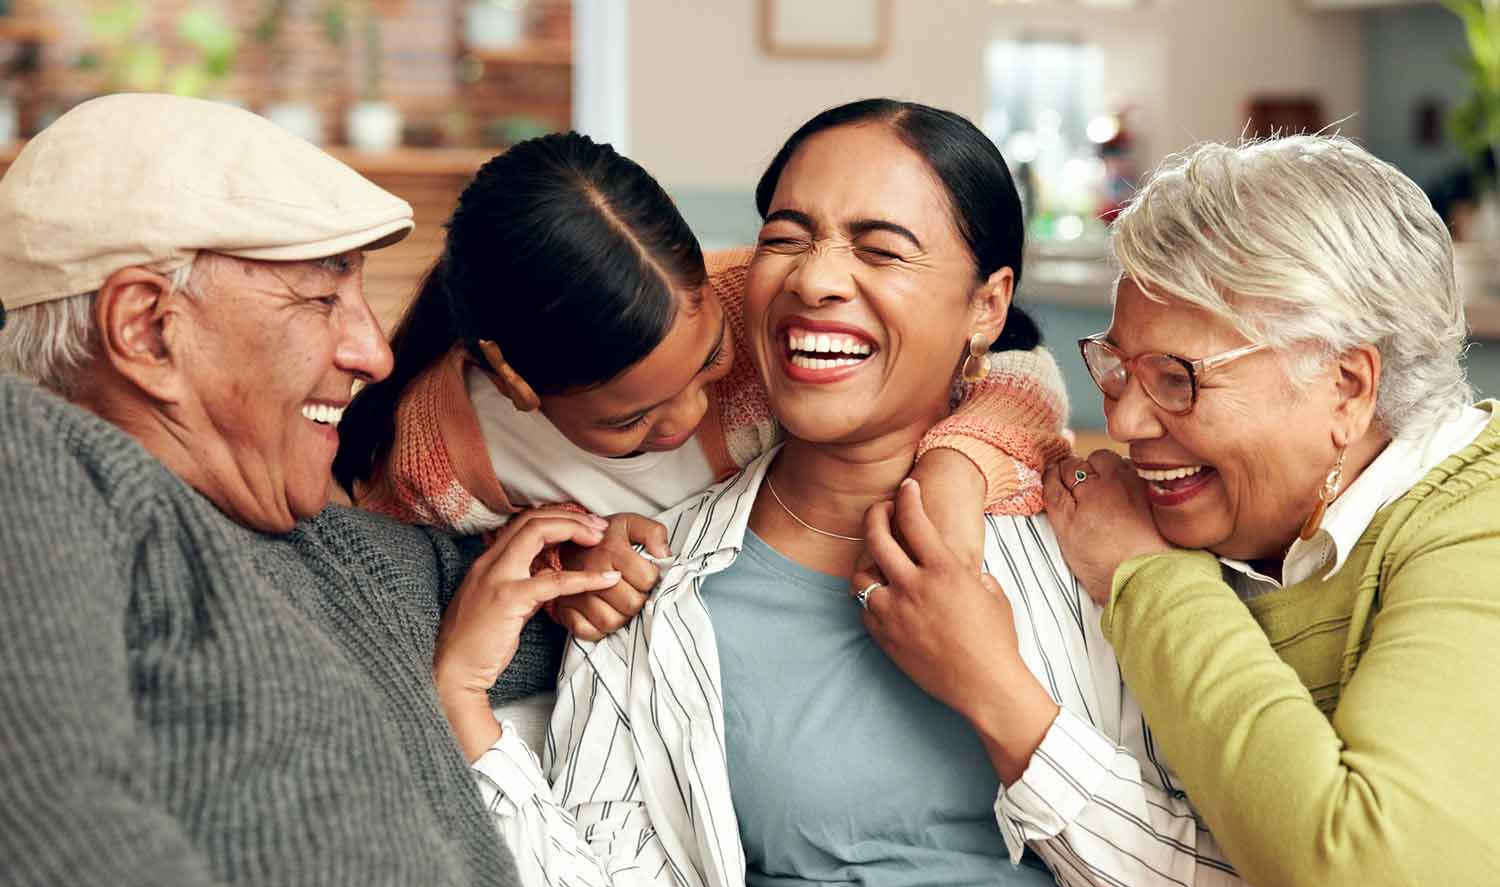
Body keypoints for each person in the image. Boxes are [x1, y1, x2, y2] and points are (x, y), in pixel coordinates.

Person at [433, 99, 1270, 887]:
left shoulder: (1097, 537)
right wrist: (461, 701)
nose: (817, 279)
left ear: (987, 306)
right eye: (786, 238)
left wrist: (994, 689)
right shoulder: (648, 594)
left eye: (881, 248)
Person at [0, 93, 619, 887]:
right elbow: (49, 852)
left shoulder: (335, 552)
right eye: (323, 297)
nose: (373, 352)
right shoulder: (32, 462)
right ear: (146, 329)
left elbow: (574, 603)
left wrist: (616, 557)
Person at [1042, 135, 1500, 887]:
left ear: (1346, 387)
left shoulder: (1480, 523)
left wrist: (1151, 581)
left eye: (1177, 378)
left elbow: (1373, 872)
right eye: (1117, 368)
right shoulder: (1244, 523)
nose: (1128, 422)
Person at [332, 131, 1074, 641]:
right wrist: (564, 565)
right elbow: (431, 583)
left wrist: (958, 464)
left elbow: (1012, 361)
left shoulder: (761, 302)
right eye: (630, 419)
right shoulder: (442, 457)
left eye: (710, 361)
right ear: (515, 381)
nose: (687, 415)